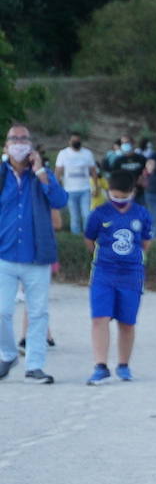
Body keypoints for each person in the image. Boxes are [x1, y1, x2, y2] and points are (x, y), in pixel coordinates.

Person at [0, 123, 68, 384]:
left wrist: (40, 171)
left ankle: (35, 366)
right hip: (5, 254)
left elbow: (60, 201)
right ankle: (8, 355)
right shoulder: (1, 175)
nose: (18, 143)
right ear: (6, 146)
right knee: (2, 312)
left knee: (38, 313)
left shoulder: (43, 174)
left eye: (23, 139)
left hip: (37, 256)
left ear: (31, 145)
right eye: (13, 139)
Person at [83, 170, 152, 384]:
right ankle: (100, 366)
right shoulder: (99, 213)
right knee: (99, 318)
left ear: (133, 192)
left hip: (131, 275)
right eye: (114, 196)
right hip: (104, 273)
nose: (119, 201)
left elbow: (146, 242)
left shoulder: (141, 214)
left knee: (127, 322)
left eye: (123, 197)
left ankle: (123, 365)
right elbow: (89, 239)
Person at [56, 132, 98, 235]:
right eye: (74, 140)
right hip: (69, 190)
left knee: (86, 214)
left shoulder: (87, 153)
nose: (76, 142)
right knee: (74, 216)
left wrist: (96, 187)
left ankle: (88, 234)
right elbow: (58, 171)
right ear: (69, 142)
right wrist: (56, 187)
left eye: (78, 140)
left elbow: (93, 171)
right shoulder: (63, 154)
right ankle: (76, 235)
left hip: (85, 189)